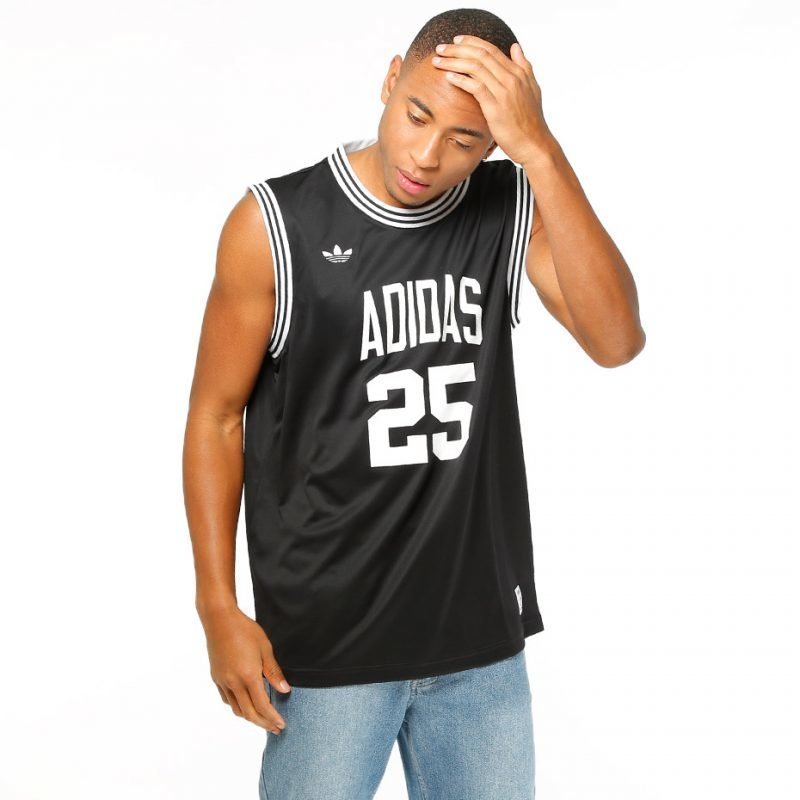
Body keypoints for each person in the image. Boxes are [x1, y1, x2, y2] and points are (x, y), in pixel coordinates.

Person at [182, 7, 646, 799]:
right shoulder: (276, 224)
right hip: (326, 648)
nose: (427, 156)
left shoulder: (509, 205)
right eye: (418, 115)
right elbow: (216, 418)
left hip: (479, 648)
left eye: (465, 140)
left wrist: (540, 148)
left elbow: (616, 339)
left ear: (495, 141)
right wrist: (217, 606)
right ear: (391, 78)